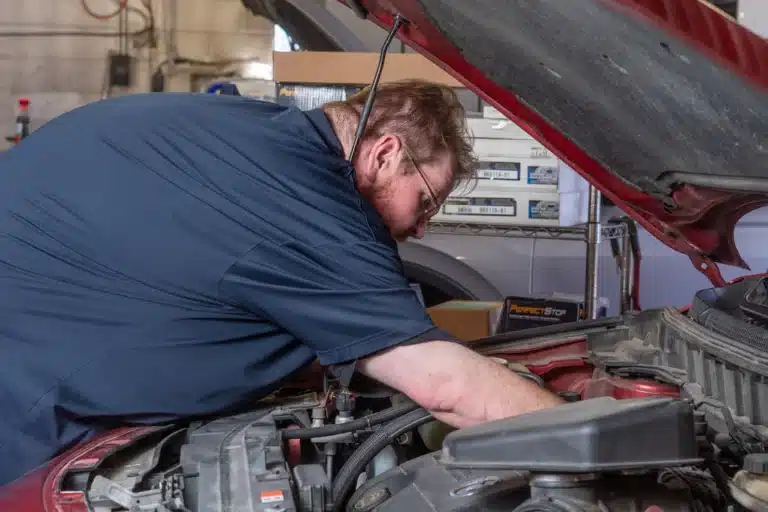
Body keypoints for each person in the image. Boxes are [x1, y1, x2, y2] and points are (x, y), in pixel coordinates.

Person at [0, 79, 564, 487]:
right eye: (426, 201)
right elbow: (446, 388)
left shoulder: (260, 134)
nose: (420, 227)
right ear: (385, 153)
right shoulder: (308, 202)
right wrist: (592, 437)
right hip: (25, 413)